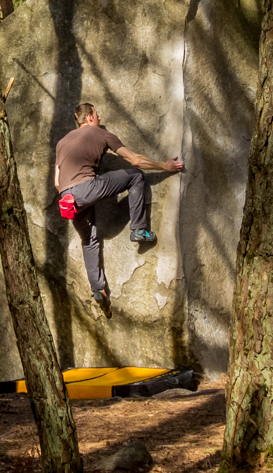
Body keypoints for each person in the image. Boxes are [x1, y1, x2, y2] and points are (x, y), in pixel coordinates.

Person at [55, 102, 184, 316]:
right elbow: (135, 160)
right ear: (89, 118)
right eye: (96, 114)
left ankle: (98, 290)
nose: (99, 117)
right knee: (134, 176)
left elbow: (58, 182)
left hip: (67, 200)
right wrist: (165, 166)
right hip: (87, 187)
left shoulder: (62, 143)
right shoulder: (102, 134)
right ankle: (139, 229)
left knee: (89, 239)